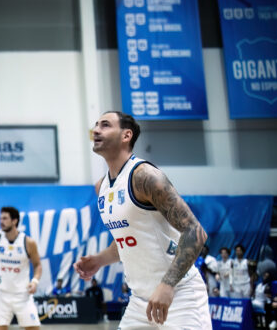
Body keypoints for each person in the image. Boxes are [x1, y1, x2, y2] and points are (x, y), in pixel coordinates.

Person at [74, 111, 210, 330]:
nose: (96, 130)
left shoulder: (145, 176)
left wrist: (167, 285)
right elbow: (127, 240)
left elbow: (195, 232)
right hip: (140, 300)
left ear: (126, 135)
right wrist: (99, 260)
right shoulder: (102, 187)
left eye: (105, 125)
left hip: (179, 295)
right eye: (96, 125)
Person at [0, 206, 42, 330]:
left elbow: (37, 265)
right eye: (0, 218)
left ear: (14, 221)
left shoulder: (28, 242)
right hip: (1, 295)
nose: (1, 221)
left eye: (5, 218)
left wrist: (35, 281)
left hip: (22, 295)